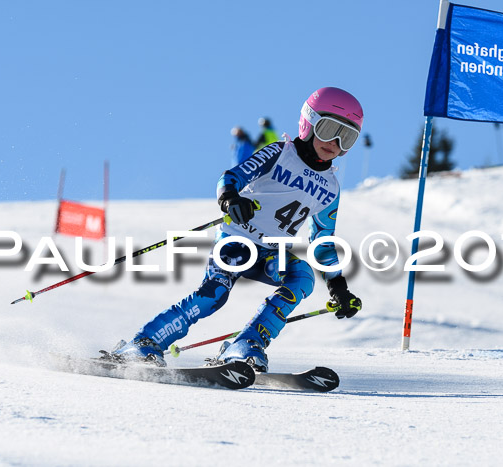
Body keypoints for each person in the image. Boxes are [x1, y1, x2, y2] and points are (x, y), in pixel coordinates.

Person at [109, 87, 364, 372]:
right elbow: (230, 177)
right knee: (214, 294)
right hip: (237, 241)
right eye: (329, 129)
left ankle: (247, 344)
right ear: (309, 122)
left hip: (271, 254)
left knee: (302, 276)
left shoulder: (331, 188)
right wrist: (230, 198)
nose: (335, 142)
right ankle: (145, 341)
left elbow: (323, 243)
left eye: (347, 137)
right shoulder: (280, 153)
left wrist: (338, 287)